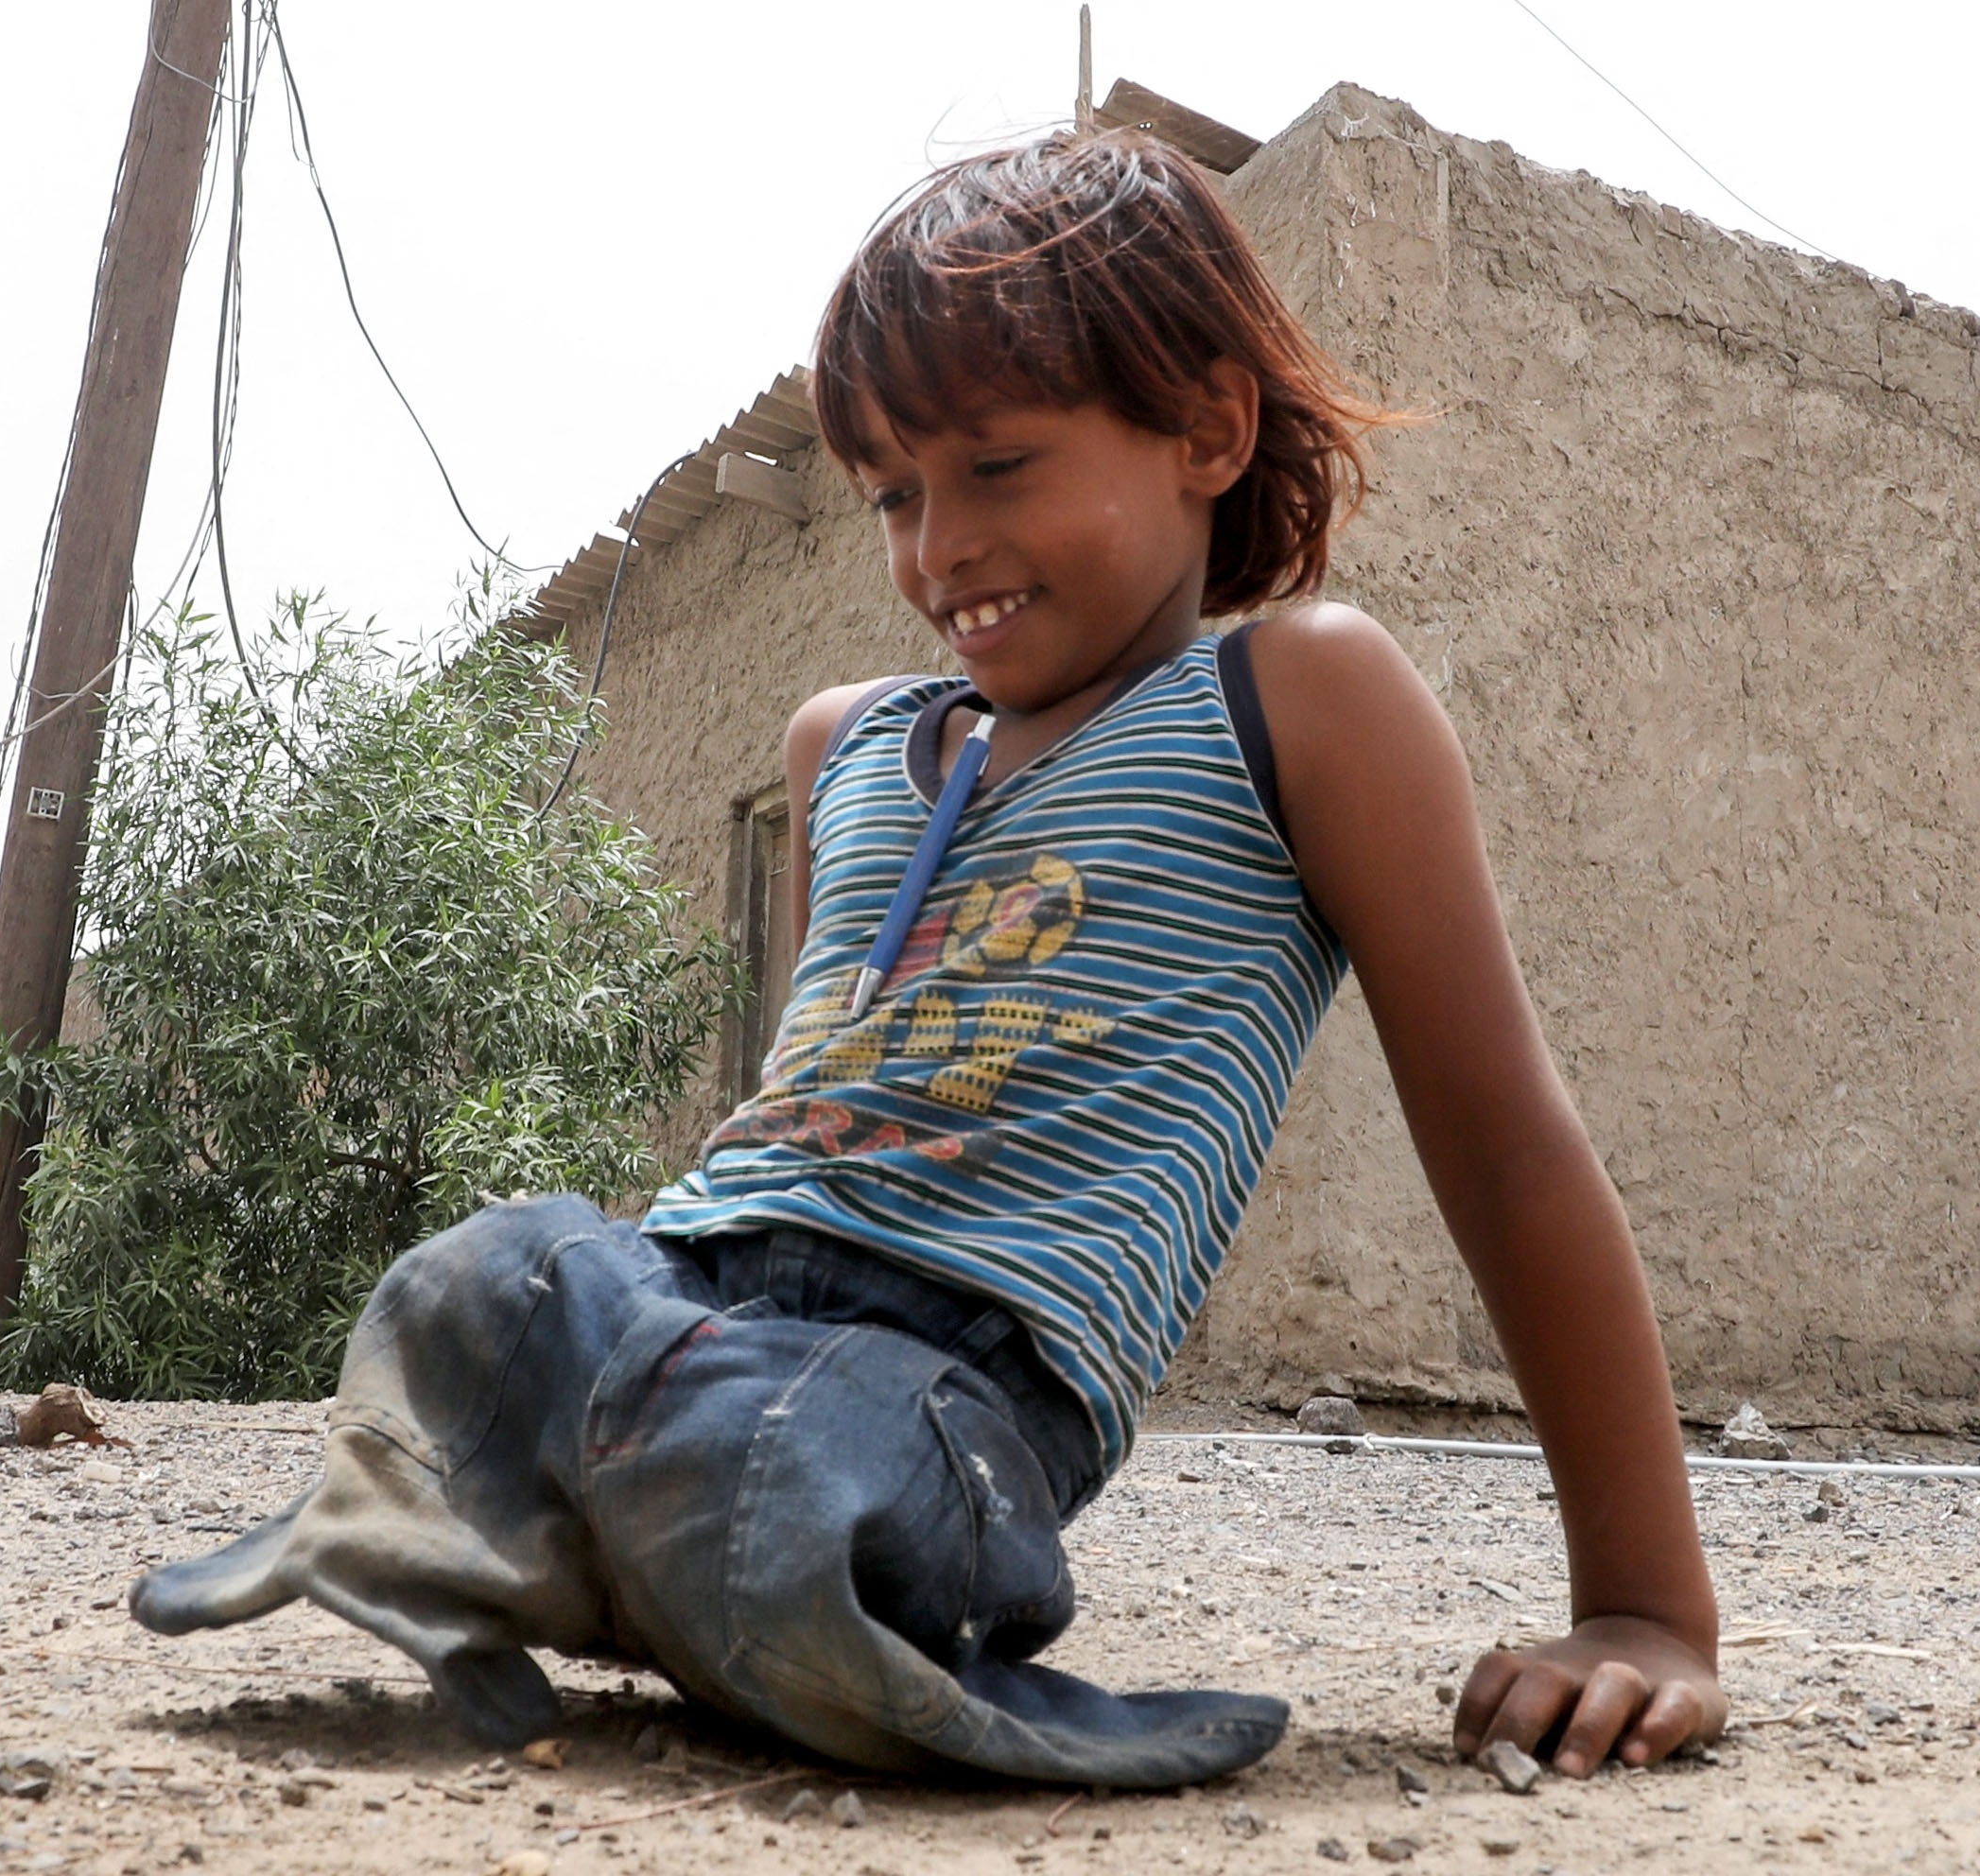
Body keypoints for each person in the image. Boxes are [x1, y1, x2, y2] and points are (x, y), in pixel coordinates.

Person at [131, 125, 1726, 1788]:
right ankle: (695, 1580)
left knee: (800, 1454)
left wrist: (1642, 1611)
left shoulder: (1299, 700)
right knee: (488, 1274)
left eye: (998, 468)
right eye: (896, 493)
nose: (936, 544)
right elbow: (805, 1120)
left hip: (944, 1379)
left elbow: (1504, 1143)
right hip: (706, 1296)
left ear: (1206, 426)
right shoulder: (848, 744)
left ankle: (630, 1563)